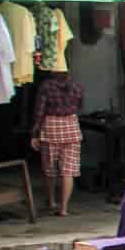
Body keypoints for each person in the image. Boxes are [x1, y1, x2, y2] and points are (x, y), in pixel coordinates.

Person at [30, 70, 83, 217]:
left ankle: (52, 201)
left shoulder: (46, 86)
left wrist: (34, 134)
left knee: (50, 167)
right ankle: (64, 208)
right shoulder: (77, 86)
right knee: (68, 170)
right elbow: (79, 106)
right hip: (71, 127)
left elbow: (39, 111)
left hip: (51, 127)